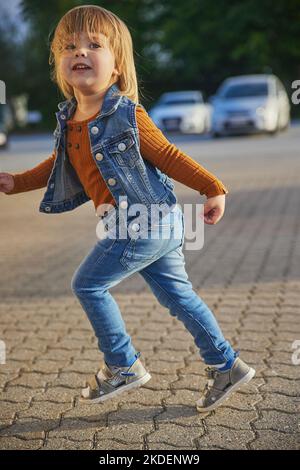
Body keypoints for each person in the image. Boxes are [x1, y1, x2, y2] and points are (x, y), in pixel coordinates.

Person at [0, 5, 255, 412]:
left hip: (144, 221)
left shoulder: (126, 114)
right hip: (154, 224)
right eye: (69, 46)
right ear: (59, 64)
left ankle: (122, 365)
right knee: (179, 298)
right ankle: (226, 364)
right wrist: (16, 183)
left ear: (117, 67)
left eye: (93, 45)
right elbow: (58, 164)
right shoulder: (70, 119)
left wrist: (213, 188)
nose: (79, 51)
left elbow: (167, 154)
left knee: (87, 284)